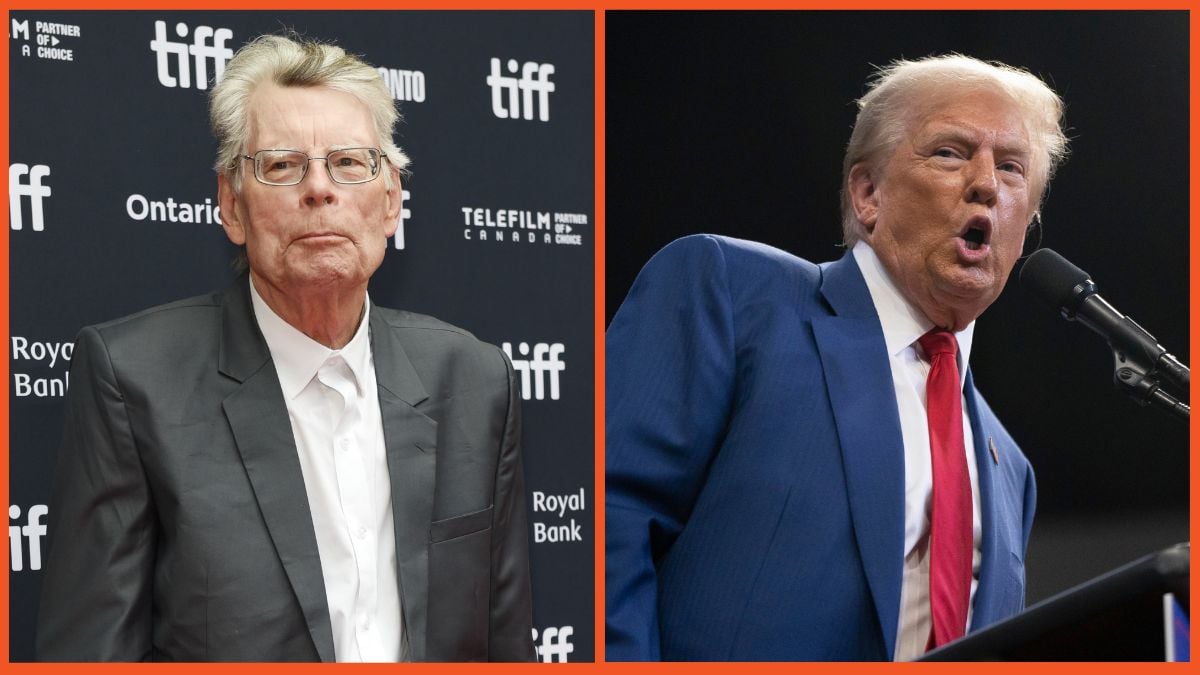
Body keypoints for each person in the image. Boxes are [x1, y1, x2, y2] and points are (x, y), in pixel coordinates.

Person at [36, 34, 535, 662]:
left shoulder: (476, 380)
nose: (319, 189)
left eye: (350, 163)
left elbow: (506, 644)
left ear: (391, 202)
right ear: (231, 205)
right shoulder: (133, 382)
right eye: (282, 165)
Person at [605, 54, 1068, 661]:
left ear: (1025, 225)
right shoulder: (733, 295)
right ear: (868, 192)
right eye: (951, 153)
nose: (986, 183)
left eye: (1012, 169)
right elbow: (606, 519)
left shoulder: (1009, 467)